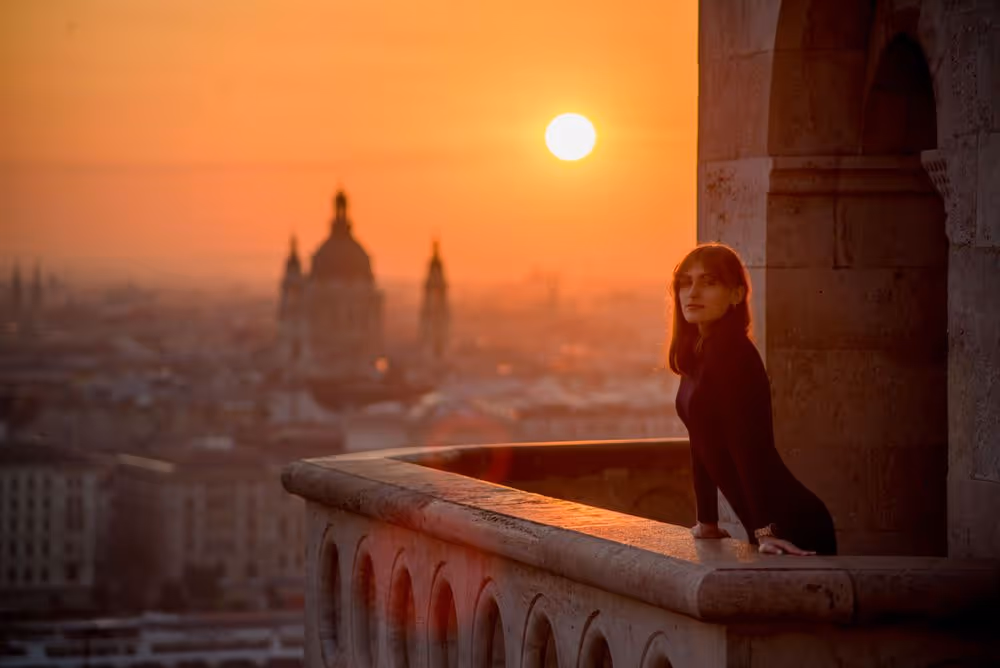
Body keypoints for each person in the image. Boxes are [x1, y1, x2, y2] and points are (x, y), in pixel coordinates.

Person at [669, 243, 837, 556]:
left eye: (709, 282)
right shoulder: (698, 353)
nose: (692, 293)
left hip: (789, 522)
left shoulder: (734, 356)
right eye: (685, 283)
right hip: (767, 524)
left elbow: (748, 446)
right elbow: (700, 440)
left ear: (736, 294)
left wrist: (765, 530)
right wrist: (707, 520)